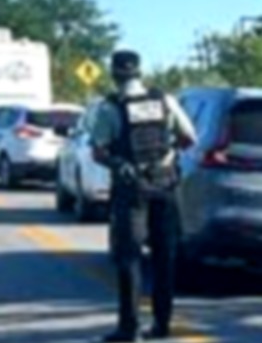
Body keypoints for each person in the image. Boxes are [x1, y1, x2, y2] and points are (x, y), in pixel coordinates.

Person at [91, 50, 196, 343]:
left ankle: (130, 329)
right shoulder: (165, 100)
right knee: (165, 257)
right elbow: (190, 138)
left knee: (130, 259)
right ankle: (162, 326)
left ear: (114, 74)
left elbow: (98, 151)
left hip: (132, 188)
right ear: (139, 72)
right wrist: (170, 152)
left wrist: (117, 163)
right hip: (165, 185)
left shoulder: (110, 108)